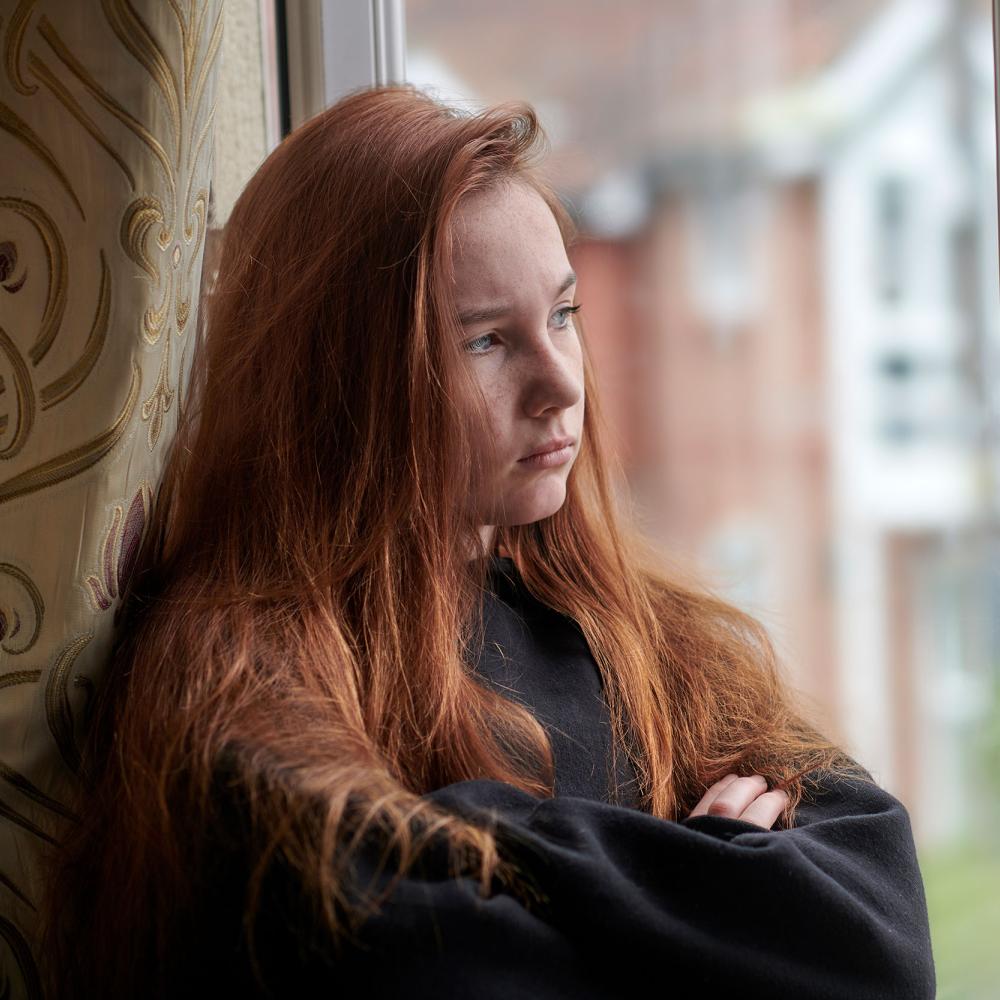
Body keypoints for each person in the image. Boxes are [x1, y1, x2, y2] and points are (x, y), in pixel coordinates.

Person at [37, 84, 935, 999]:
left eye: (562, 315)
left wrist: (472, 837)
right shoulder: (236, 677)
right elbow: (417, 966)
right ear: (340, 379)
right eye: (483, 342)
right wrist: (716, 870)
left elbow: (884, 940)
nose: (560, 384)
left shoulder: (650, 641)